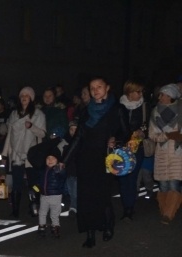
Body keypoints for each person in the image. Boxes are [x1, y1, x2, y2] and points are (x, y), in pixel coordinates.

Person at [64, 76, 128, 248]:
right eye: (92, 88)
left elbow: (126, 132)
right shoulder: (86, 111)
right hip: (85, 159)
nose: (95, 90)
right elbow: (78, 137)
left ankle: (108, 225)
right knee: (86, 198)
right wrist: (65, 160)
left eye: (99, 86)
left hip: (105, 158)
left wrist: (116, 139)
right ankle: (90, 233)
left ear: (107, 88)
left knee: (102, 196)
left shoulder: (117, 109)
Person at [1, 86, 46, 218]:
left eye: (26, 95)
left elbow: (42, 133)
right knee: (17, 182)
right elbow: (9, 135)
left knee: (33, 183)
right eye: (22, 96)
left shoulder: (38, 114)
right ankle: (15, 211)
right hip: (16, 154)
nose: (24, 98)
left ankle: (34, 206)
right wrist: (4, 154)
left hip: (31, 154)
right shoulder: (14, 114)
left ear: (31, 98)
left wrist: (31, 126)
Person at [148, 84, 182, 224]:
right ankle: (165, 211)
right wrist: (167, 135)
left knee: (174, 184)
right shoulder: (155, 112)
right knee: (163, 185)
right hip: (161, 152)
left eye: (163, 94)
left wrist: (176, 135)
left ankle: (168, 214)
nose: (160, 97)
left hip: (177, 153)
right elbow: (152, 134)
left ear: (170, 96)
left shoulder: (181, 111)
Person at [118, 80, 148, 221]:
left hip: (137, 148)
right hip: (121, 148)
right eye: (138, 91)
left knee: (133, 178)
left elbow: (148, 125)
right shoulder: (118, 106)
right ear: (129, 92)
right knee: (123, 178)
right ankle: (126, 207)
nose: (141, 94)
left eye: (141, 91)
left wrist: (142, 132)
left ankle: (130, 208)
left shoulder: (144, 107)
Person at [35, 145, 67, 238]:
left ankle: (55, 227)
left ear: (57, 160)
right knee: (42, 212)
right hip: (44, 195)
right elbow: (38, 182)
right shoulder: (43, 170)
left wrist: (61, 169)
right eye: (48, 158)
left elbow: (63, 175)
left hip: (55, 196)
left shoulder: (58, 170)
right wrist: (35, 189)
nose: (50, 160)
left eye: (53, 158)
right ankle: (41, 227)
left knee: (55, 213)